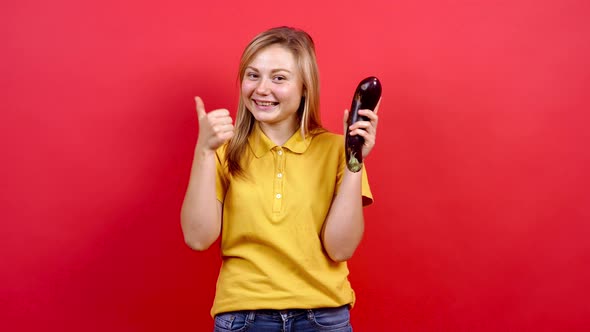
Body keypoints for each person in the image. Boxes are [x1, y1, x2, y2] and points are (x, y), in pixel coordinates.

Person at [180, 26, 380, 332]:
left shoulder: (337, 151)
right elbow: (198, 237)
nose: (261, 88)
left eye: (279, 78)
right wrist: (204, 152)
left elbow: (340, 249)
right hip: (244, 318)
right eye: (253, 75)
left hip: (323, 317)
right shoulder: (224, 150)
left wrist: (355, 159)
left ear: (304, 87)